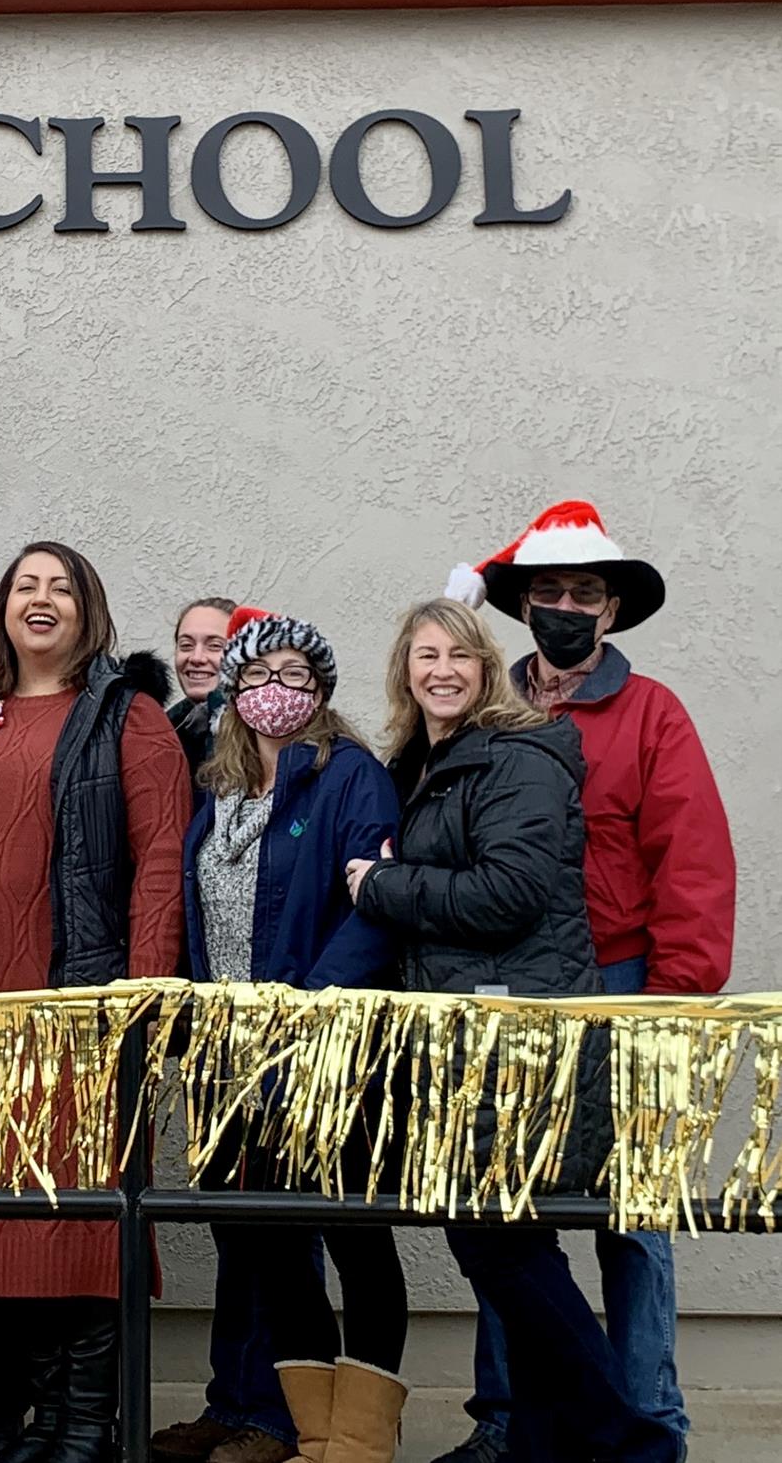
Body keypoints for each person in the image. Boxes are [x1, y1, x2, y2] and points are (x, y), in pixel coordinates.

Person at [348, 598, 682, 1463]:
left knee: (498, 1244)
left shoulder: (517, 755)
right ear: (403, 670)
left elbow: (508, 893)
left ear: (486, 667)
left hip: (519, 1040)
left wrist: (380, 886)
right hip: (464, 1041)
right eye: (425, 655)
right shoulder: (426, 762)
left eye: (459, 654)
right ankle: (544, 1441)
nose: (442, 670)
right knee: (507, 1244)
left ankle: (628, 1440)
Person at [437, 500, 729, 1463]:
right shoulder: (487, 706)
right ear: (523, 605)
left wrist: (674, 1001)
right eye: (549, 591)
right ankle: (507, 1418)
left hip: (620, 982)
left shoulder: (652, 714)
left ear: (609, 610)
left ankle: (647, 1421)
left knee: (631, 1215)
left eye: (584, 593)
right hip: (511, 992)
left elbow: (690, 861)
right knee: (505, 1209)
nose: (565, 607)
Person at [0, 540, 190, 1463]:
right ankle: (22, 1420)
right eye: (25, 585)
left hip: (84, 1013)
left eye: (60, 587)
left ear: (86, 610)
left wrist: (142, 989)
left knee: (83, 1216)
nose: (41, 598)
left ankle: (83, 1424)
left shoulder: (128, 716)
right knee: (0, 1220)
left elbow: (160, 862)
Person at [184, 608, 406, 1463]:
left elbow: (372, 907)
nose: (274, 690)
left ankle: (360, 1438)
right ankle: (312, 1433)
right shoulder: (221, 786)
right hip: (229, 1055)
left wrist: (310, 1007)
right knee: (272, 1243)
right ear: (233, 689)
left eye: (294, 676)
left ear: (319, 691)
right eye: (257, 675)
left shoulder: (350, 775)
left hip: (323, 1048)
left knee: (353, 1235)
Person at [152, 593, 304, 1463]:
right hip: (212, 1024)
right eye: (187, 641)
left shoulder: (315, 762)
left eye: (217, 643)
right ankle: (231, 1397)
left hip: (285, 1029)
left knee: (282, 1227)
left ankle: (281, 1414)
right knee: (229, 1220)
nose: (198, 655)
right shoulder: (189, 744)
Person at [166, 598, 235, 781]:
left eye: (215, 646)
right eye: (186, 645)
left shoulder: (263, 739)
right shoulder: (165, 732)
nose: (196, 658)